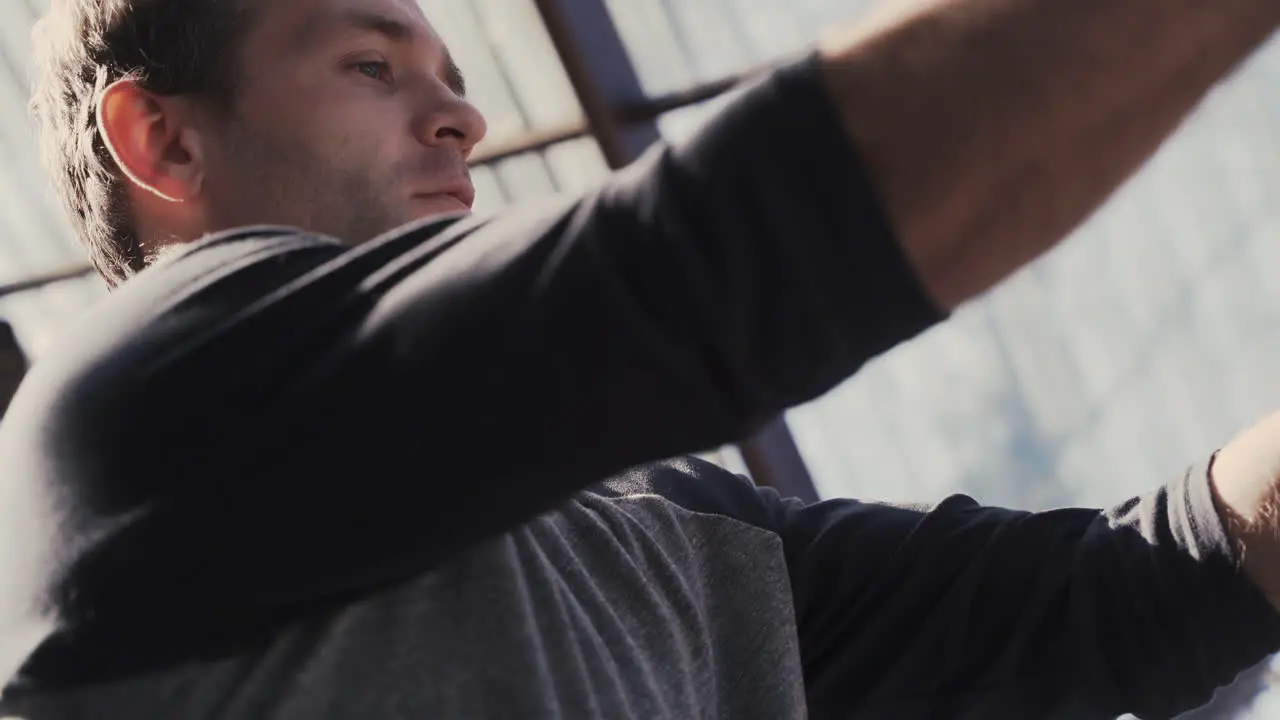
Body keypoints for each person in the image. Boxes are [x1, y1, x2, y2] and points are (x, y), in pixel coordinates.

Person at [3, 0, 1280, 717]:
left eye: (446, 73)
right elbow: (722, 255)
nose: (463, 115)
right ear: (162, 145)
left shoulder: (663, 535)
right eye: (368, 63)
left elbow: (1134, 589)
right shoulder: (140, 409)